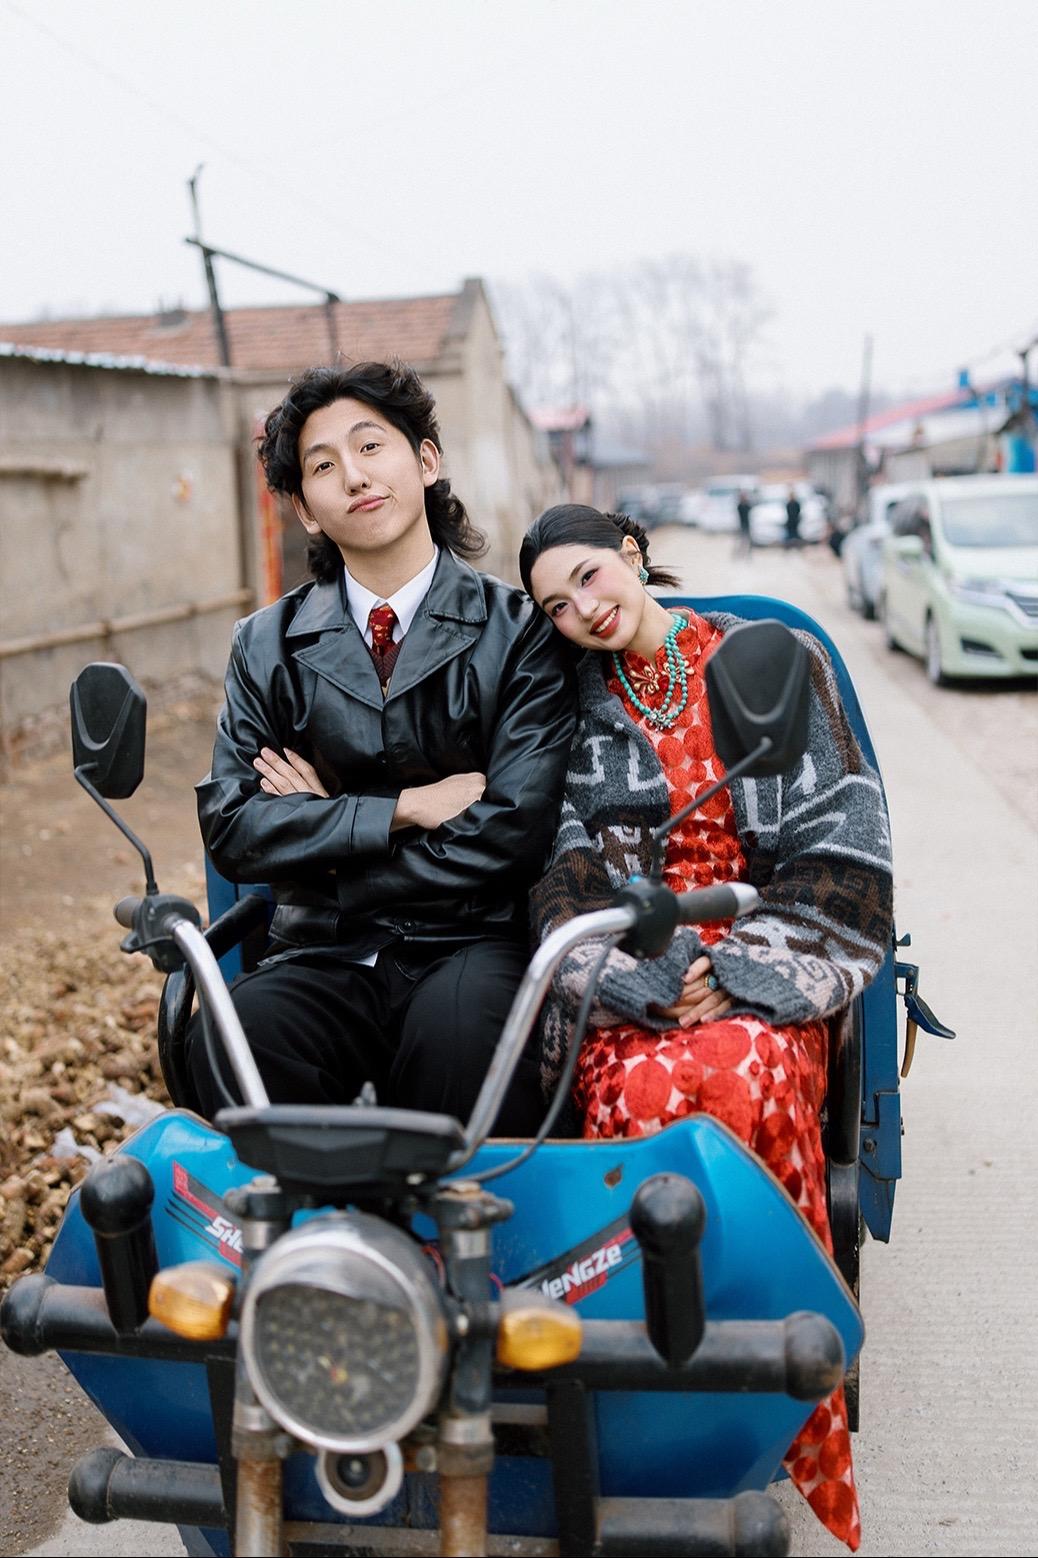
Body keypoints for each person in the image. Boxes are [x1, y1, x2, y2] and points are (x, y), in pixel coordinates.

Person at [519, 503, 894, 1552]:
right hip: (635, 969)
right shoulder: (569, 705)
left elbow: (844, 840)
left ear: (632, 554)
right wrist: (650, 975)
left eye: (590, 576)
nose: (582, 609)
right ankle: (638, 1406)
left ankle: (775, 1395)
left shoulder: (771, 660)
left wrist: (738, 971)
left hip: (770, 958)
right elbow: (560, 872)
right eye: (556, 605)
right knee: (642, 1097)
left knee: (741, 1074)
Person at [186, 361, 576, 1132]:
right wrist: (405, 808)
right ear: (306, 509)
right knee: (237, 1037)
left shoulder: (520, 632)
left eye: (371, 447)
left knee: (464, 1044)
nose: (355, 477)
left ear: (425, 461)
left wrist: (329, 846)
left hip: (473, 941)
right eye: (323, 466)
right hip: (321, 948)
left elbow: (514, 830)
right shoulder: (265, 646)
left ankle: (461, 1217)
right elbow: (235, 827)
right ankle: (314, 1216)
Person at [734, 488, 753, 556]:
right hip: (742, 525)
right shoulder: (740, 506)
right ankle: (739, 554)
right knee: (741, 540)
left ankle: (748, 554)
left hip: (747, 525)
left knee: (748, 541)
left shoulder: (746, 505)